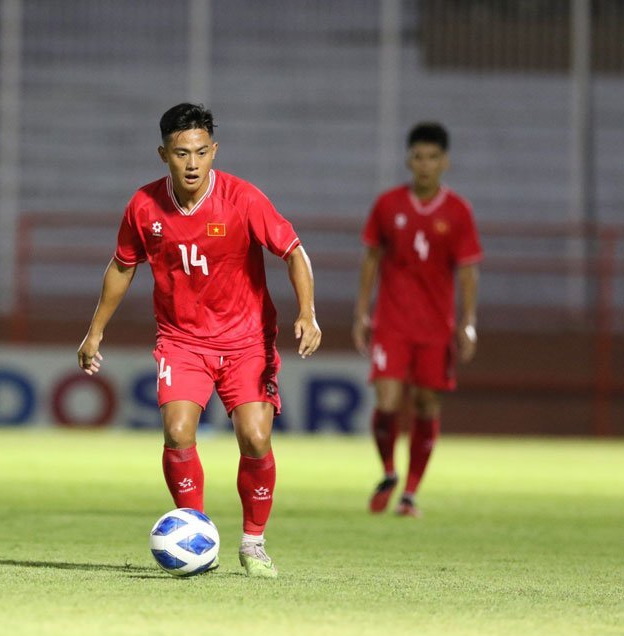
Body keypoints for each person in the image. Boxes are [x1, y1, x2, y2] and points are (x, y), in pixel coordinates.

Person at [77, 103, 321, 578]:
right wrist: (95, 330)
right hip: (182, 340)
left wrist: (308, 314)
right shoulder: (143, 206)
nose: (192, 164)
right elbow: (123, 267)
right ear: (163, 154)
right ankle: (197, 535)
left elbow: (294, 251)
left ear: (214, 151)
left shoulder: (243, 198)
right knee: (178, 431)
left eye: (201, 152)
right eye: (181, 153)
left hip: (247, 339)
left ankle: (253, 543)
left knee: (254, 436)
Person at [353, 121, 482, 518]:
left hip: (435, 327)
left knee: (427, 404)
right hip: (392, 322)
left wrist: (468, 321)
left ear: (445, 162)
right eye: (418, 157)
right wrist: (362, 311)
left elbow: (467, 271)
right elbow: (372, 258)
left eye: (432, 157)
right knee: (388, 399)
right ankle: (389, 472)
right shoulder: (388, 205)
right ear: (409, 159)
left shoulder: (458, 211)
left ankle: (409, 493)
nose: (424, 165)